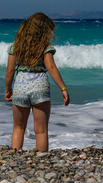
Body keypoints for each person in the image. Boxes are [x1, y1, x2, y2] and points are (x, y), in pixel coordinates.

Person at [5, 12, 70, 152]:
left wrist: (8, 89)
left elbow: (9, 71)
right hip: (39, 84)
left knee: (18, 127)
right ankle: (42, 159)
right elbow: (51, 67)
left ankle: (15, 157)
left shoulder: (16, 46)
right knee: (41, 130)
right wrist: (63, 88)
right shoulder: (44, 47)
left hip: (20, 86)